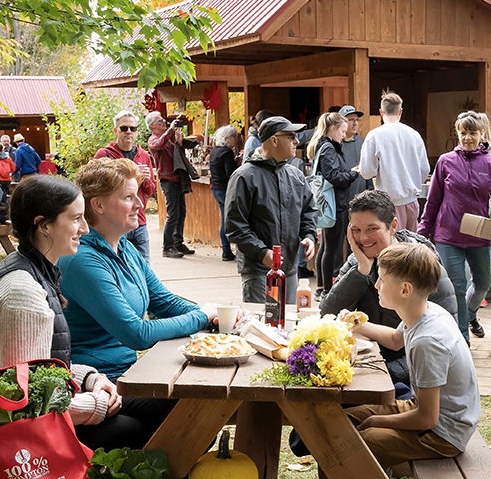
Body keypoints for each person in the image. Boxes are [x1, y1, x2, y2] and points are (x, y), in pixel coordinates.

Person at [0, 175, 165, 450]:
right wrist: (94, 405)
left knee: (165, 408)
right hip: (15, 444)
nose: (84, 228)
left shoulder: (34, 267)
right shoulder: (23, 293)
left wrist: (89, 378)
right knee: (137, 429)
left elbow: (41, 368)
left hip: (43, 413)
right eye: (75, 219)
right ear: (43, 225)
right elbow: (23, 404)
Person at [59, 158, 218, 382]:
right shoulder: (81, 260)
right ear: (98, 205)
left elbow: (165, 302)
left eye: (138, 196)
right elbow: (137, 334)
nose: (140, 205)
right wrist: (201, 317)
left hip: (129, 372)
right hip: (96, 383)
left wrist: (216, 315)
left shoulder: (125, 247)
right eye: (128, 197)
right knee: (203, 396)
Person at [346, 242, 480, 467]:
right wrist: (354, 324)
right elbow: (395, 340)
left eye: (382, 279)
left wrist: (377, 421)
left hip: (443, 435)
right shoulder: (426, 311)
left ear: (405, 289)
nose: (377, 285)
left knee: (352, 444)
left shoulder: (427, 341)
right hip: (424, 412)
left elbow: (428, 418)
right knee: (345, 420)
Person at [321, 190, 457, 387]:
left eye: (371, 229)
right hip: (366, 363)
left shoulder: (424, 267)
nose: (363, 238)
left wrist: (385, 373)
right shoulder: (357, 261)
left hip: (408, 378)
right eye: (356, 230)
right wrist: (361, 270)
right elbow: (327, 314)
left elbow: (445, 344)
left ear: (393, 226)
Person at [418, 111, 491, 342]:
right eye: (463, 132)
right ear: (457, 133)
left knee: (483, 284)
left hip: (479, 234)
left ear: (481, 134)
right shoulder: (446, 161)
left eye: (472, 133)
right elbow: (433, 200)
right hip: (448, 234)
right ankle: (462, 338)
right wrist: (422, 232)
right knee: (456, 286)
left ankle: (470, 314)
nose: (467, 138)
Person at [225, 115, 317, 304]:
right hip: (258, 270)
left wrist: (309, 236)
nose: (297, 141)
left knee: (290, 324)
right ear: (274, 140)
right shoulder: (244, 177)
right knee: (260, 327)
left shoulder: (295, 175)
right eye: (291, 136)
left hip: (289, 268)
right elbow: (235, 226)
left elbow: (308, 210)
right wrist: (262, 253)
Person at [358, 91, 430, 232]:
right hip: (411, 201)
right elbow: (424, 169)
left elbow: (367, 172)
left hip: (387, 203)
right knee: (410, 248)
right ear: (400, 111)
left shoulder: (374, 136)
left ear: (381, 112)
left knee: (390, 249)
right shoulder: (414, 135)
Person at [307, 112, 361, 297]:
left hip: (331, 202)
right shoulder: (329, 148)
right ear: (332, 128)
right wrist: (354, 174)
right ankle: (327, 290)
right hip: (335, 204)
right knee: (332, 248)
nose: (344, 135)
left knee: (326, 246)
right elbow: (334, 176)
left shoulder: (324, 146)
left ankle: (322, 286)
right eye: (342, 131)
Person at [94, 110, 157, 262]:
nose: (129, 132)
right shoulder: (104, 155)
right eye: (124, 128)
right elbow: (95, 188)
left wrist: (145, 179)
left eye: (133, 128)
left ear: (137, 132)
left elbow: (150, 190)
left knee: (144, 267)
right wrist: (131, 176)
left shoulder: (144, 156)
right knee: (115, 266)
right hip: (114, 222)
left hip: (138, 221)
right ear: (116, 131)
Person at [146, 111, 201, 258]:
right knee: (173, 214)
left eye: (164, 120)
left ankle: (178, 242)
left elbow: (176, 156)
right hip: (167, 181)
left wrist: (180, 142)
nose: (164, 122)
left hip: (176, 179)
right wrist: (170, 129)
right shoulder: (153, 140)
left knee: (181, 212)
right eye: (160, 121)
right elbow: (158, 145)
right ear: (152, 126)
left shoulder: (167, 140)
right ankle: (167, 247)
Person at [209, 125, 240, 261]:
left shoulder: (215, 151)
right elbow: (231, 174)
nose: (236, 140)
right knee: (230, 220)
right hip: (226, 189)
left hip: (216, 188)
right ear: (228, 138)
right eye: (235, 136)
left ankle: (226, 250)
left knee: (224, 219)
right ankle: (229, 251)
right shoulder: (227, 153)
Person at [340, 104, 372, 200]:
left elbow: (369, 170)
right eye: (351, 120)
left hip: (361, 200)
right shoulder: (335, 145)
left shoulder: (363, 143)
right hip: (341, 200)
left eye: (357, 120)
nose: (355, 123)